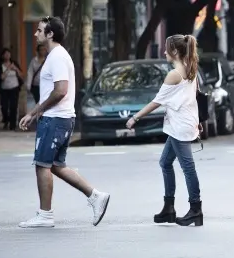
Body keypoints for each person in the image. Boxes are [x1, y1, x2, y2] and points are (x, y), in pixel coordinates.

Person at [18, 16, 110, 228]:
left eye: (40, 30)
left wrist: (36, 112)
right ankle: (96, 196)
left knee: (42, 165)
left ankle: (45, 215)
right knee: (57, 166)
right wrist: (35, 112)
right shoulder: (55, 56)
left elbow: (60, 90)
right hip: (61, 118)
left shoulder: (57, 57)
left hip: (55, 119)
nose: (35, 34)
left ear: (50, 34)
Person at [126, 34, 204, 226]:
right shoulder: (190, 69)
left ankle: (196, 209)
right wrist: (198, 120)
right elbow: (193, 98)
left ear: (175, 51)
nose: (164, 52)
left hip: (179, 125)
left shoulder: (174, 74)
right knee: (165, 162)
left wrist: (135, 117)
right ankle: (168, 208)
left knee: (188, 167)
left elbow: (157, 101)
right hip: (183, 122)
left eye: (167, 48)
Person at [0, 48, 22, 131]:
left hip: (14, 88)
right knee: (4, 107)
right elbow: (1, 77)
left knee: (13, 107)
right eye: (5, 54)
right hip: (4, 89)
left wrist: (15, 69)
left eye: (9, 54)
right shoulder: (0, 65)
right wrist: (8, 69)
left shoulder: (14, 63)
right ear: (2, 55)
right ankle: (6, 120)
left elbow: (21, 74)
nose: (7, 55)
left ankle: (13, 125)